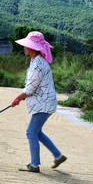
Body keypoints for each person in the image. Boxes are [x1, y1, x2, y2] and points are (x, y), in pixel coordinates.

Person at [11, 31, 66, 173]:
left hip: (44, 103)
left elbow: (30, 88)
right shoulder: (37, 61)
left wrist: (18, 98)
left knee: (31, 132)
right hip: (45, 102)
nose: (24, 48)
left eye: (26, 46)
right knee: (37, 132)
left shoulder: (37, 65)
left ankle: (34, 165)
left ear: (33, 48)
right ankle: (58, 155)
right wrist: (21, 97)